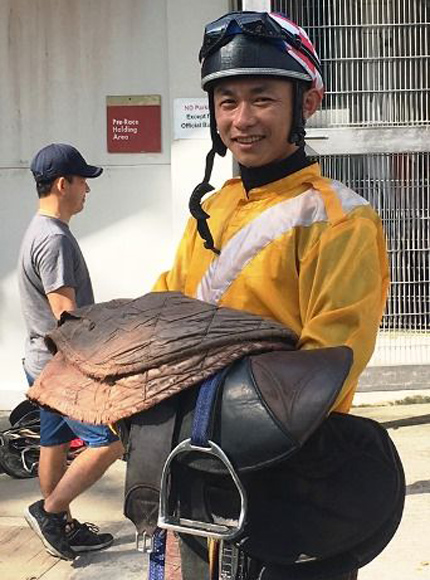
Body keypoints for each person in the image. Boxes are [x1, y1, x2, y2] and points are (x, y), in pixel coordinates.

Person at [153, 10, 389, 580]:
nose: (241, 119)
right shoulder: (211, 210)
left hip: (290, 482)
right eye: (226, 100)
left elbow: (328, 364)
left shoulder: (342, 220)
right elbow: (164, 312)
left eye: (262, 98)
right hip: (196, 477)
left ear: (307, 104)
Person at [18, 143, 124, 561]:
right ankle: (50, 511)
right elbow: (65, 316)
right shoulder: (54, 240)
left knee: (55, 442)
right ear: (63, 184)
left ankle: (60, 527)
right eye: (82, 181)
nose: (87, 190)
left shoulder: (37, 231)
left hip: (40, 363)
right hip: (63, 368)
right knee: (109, 441)